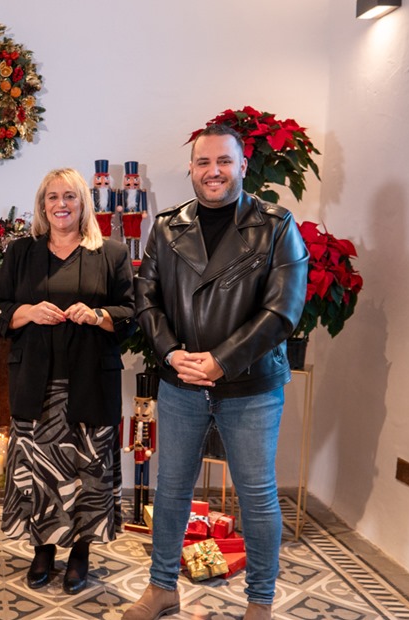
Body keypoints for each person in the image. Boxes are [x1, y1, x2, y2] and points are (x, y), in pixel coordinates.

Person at [125, 124, 308, 620]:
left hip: (250, 386)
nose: (213, 172)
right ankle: (162, 587)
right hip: (182, 381)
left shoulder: (276, 225)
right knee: (172, 489)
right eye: (203, 163)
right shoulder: (166, 227)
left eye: (223, 162)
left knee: (257, 495)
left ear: (243, 166)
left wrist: (222, 359)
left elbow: (283, 312)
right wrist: (170, 352)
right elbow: (147, 296)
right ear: (191, 169)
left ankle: (260, 602)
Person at [0, 167, 135, 595]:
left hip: (91, 383)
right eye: (52, 197)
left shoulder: (111, 254)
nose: (61, 205)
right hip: (36, 384)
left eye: (69, 196)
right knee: (38, 470)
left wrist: (98, 315)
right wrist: (29, 311)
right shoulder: (22, 253)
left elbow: (130, 314)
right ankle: (43, 550)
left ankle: (81, 553)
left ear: (83, 203)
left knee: (88, 470)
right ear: (42, 205)